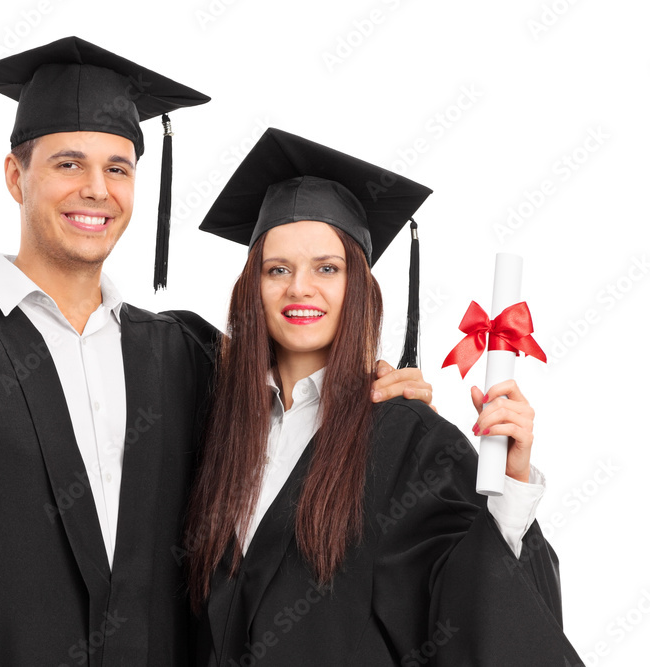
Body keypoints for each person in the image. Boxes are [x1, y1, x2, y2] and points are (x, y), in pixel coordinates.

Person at [0, 39, 432, 666]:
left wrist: (369, 392)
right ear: (16, 175)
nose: (97, 190)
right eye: (69, 163)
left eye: (118, 168)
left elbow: (287, 423)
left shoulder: (186, 358)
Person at [186, 128, 582, 665]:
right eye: (277, 269)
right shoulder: (212, 418)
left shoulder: (405, 438)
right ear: (251, 287)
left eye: (328, 268)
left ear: (360, 288)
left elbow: (462, 603)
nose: (300, 287)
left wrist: (508, 488)